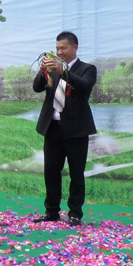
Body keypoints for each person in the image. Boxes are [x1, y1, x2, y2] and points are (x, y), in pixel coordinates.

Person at [32, 31, 96, 226]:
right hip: (52, 128)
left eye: (63, 48)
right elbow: (37, 87)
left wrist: (63, 71)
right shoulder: (52, 67)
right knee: (51, 171)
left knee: (76, 174)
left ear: (75, 48)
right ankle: (51, 212)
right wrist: (43, 71)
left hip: (76, 130)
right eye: (57, 48)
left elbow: (84, 87)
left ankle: (75, 213)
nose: (60, 51)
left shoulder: (87, 69)